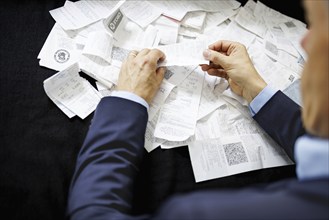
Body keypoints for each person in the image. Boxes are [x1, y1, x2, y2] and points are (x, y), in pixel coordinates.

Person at [67, 1, 328, 219]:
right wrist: (256, 89)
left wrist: (127, 101)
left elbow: (92, 214)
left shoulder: (197, 212)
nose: (304, 41)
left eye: (321, 28)